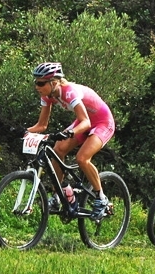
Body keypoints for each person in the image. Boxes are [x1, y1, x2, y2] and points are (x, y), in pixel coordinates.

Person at [26, 62, 116, 219]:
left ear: (54, 82)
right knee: (57, 150)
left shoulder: (69, 92)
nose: (37, 86)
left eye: (40, 83)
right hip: (84, 122)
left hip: (102, 122)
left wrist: (69, 133)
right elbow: (42, 125)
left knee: (82, 158)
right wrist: (24, 131)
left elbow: (86, 122)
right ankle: (59, 195)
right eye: (36, 82)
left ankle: (101, 198)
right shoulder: (47, 96)